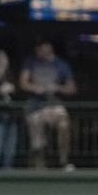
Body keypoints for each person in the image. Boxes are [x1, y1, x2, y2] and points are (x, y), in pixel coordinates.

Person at [19, 39, 76, 170]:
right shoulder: (31, 62)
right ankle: (40, 165)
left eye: (43, 50)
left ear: (49, 49)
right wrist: (35, 88)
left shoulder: (61, 64)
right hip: (35, 105)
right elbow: (23, 82)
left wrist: (57, 88)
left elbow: (72, 88)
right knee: (36, 132)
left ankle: (64, 160)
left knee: (64, 124)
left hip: (54, 103)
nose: (40, 53)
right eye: (38, 50)